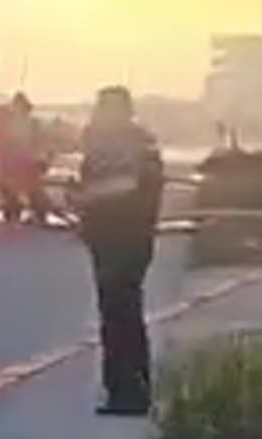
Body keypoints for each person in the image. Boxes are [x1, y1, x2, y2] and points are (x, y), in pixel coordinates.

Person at [76, 86, 165, 416]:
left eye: (104, 108)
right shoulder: (103, 145)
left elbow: (135, 191)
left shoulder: (133, 146)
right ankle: (121, 390)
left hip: (124, 240)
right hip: (109, 239)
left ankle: (131, 393)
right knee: (115, 316)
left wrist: (87, 200)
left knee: (122, 317)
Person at [0, 91, 50, 223]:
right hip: (17, 162)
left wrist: (41, 160)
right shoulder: (9, 123)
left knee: (32, 190)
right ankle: (16, 213)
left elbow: (40, 142)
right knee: (13, 191)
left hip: (27, 162)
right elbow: (4, 145)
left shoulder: (32, 124)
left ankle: (36, 213)